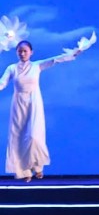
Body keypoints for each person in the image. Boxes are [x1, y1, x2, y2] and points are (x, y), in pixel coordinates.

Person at [0, 39, 85, 180]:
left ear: (31, 52)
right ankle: (24, 171)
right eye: (20, 51)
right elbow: (2, 83)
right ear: (16, 53)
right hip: (18, 104)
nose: (22, 53)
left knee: (34, 136)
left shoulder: (36, 66)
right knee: (19, 137)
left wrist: (74, 53)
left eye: (25, 51)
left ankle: (37, 167)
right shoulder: (12, 68)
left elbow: (55, 60)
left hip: (34, 102)